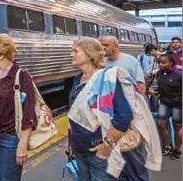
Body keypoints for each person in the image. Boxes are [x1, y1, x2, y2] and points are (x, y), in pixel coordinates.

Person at [68, 38, 161, 181]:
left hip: (99, 151)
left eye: (75, 51)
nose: (71, 54)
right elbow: (75, 114)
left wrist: (108, 145)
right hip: (80, 150)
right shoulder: (78, 79)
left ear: (89, 54)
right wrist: (72, 143)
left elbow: (124, 116)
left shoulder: (108, 78)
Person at [0, 34, 37, 181]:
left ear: (1, 54)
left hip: (10, 138)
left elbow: (29, 113)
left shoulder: (21, 76)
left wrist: (22, 144)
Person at [156, 54, 182, 159]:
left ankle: (177, 150)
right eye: (159, 62)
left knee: (177, 128)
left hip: (178, 104)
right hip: (164, 102)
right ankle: (167, 146)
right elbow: (160, 87)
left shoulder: (179, 75)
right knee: (160, 124)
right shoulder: (159, 73)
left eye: (163, 62)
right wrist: (155, 91)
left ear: (171, 63)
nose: (160, 65)